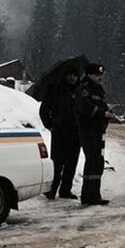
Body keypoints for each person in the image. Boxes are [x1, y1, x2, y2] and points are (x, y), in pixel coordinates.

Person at [74, 63, 114, 206]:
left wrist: (107, 112)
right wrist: (102, 113)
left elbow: (100, 105)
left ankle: (95, 194)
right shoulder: (84, 89)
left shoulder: (98, 90)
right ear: (90, 74)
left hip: (98, 131)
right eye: (97, 74)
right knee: (92, 160)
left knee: (97, 162)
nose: (100, 77)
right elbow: (85, 108)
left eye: (101, 75)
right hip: (88, 130)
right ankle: (88, 195)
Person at [39, 65, 81, 200]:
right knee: (57, 163)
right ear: (65, 76)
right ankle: (51, 189)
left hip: (76, 132)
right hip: (60, 132)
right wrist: (50, 125)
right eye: (70, 75)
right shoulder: (55, 89)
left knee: (71, 163)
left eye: (75, 75)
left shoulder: (81, 91)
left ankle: (65, 190)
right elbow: (44, 109)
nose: (72, 78)